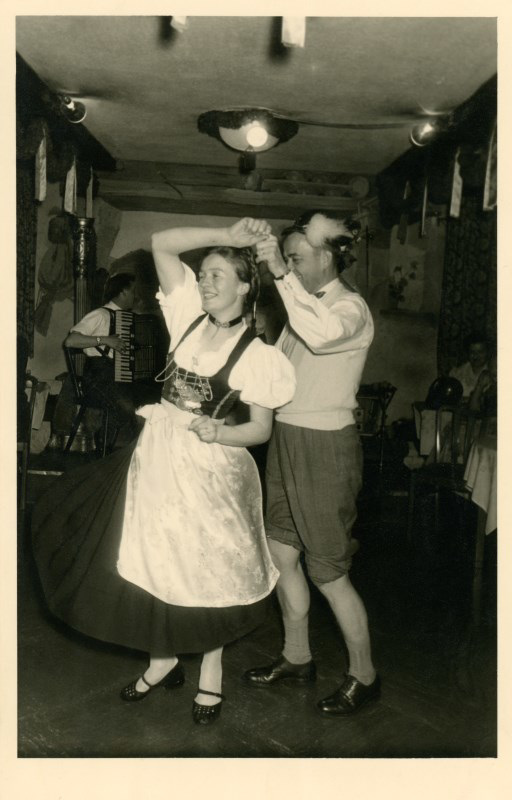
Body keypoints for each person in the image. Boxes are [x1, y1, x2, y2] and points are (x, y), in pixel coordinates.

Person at [32, 218, 295, 726]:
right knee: (150, 561)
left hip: (214, 473)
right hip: (156, 460)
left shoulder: (260, 356)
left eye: (219, 275)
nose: (206, 282)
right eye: (204, 274)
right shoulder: (187, 318)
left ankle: (211, 670)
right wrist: (230, 235)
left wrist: (223, 433)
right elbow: (161, 244)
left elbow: (260, 428)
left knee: (206, 572)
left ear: (245, 286)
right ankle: (162, 657)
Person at [243, 210, 380, 716]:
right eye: (290, 260)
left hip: (326, 446)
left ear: (328, 255)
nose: (292, 268)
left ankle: (365, 675)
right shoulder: (301, 308)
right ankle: (297, 656)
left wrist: (278, 271)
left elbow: (321, 335)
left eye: (298, 258)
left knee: (329, 572)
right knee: (282, 555)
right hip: (286, 437)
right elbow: (278, 370)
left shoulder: (350, 309)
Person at [64, 272, 140, 448]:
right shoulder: (100, 314)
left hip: (117, 378)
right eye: (133, 291)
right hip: (98, 377)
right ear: (122, 292)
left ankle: (117, 450)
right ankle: (107, 447)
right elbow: (71, 341)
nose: (135, 297)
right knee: (127, 405)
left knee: (144, 402)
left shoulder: (127, 318)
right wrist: (104, 340)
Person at [449, 333, 489, 399]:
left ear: (487, 352)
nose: (476, 357)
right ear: (467, 353)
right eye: (472, 352)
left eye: (480, 352)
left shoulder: (493, 372)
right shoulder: (457, 373)